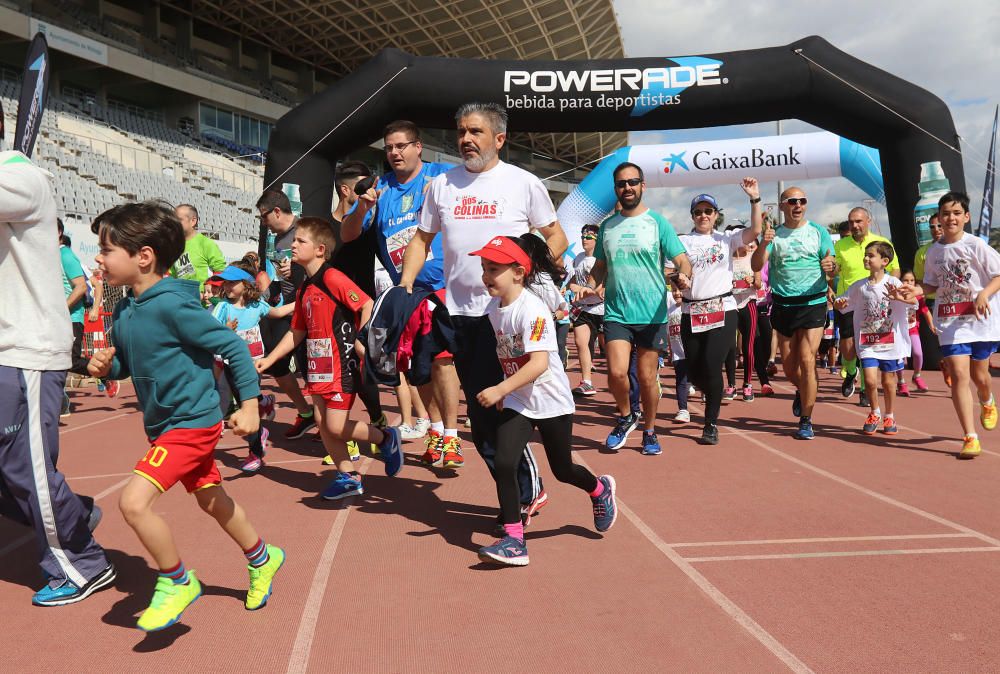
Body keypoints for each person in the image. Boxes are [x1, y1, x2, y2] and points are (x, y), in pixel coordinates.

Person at [86, 201, 284, 631]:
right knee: (212, 500)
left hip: (192, 422)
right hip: (163, 426)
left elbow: (232, 348)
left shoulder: (175, 307)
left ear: (144, 256)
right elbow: (131, 362)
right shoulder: (125, 310)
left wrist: (249, 405)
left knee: (133, 503)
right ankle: (263, 558)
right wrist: (108, 366)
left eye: (106, 249)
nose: (98, 258)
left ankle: (177, 580)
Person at [401, 102, 567, 527]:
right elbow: (421, 240)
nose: (465, 140)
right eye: (461, 132)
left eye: (475, 131)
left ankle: (527, 493)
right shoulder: (442, 186)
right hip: (457, 314)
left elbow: (556, 237)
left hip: (503, 318)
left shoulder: (524, 183)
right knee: (479, 411)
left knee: (502, 410)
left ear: (499, 138)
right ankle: (522, 493)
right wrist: (405, 286)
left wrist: (524, 282)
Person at [1, 147, 115, 607]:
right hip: (9, 347)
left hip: (23, 348)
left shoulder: (23, 177)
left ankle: (82, 562)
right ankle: (73, 513)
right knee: (12, 470)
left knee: (25, 469)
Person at [471, 234, 617, 566]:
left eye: (493, 269)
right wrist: (505, 391)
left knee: (562, 469)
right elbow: (506, 354)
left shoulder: (532, 309)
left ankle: (599, 489)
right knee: (505, 461)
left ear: (518, 273)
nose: (485, 276)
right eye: (483, 268)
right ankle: (514, 540)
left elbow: (537, 365)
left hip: (551, 400)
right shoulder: (493, 310)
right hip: (520, 401)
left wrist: (500, 389)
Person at [254, 217, 404, 498]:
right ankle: (348, 476)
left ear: (320, 249)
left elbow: (366, 304)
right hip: (317, 369)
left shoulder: (333, 277)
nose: (293, 246)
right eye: (294, 240)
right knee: (324, 426)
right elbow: (296, 332)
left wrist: (362, 340)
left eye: (300, 241)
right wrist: (270, 358)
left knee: (335, 425)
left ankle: (385, 437)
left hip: (341, 366)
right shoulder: (305, 290)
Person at [343, 121, 464, 469]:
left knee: (442, 359)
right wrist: (364, 207)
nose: (395, 153)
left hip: (444, 286)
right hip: (407, 292)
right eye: (389, 148)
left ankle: (452, 437)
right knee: (415, 368)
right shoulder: (379, 189)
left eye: (402, 146)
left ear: (418, 147)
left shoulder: (442, 177)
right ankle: (436, 431)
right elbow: (348, 234)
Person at [581, 162, 691, 454]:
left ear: (643, 185)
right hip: (617, 310)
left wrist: (683, 274)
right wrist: (589, 286)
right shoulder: (607, 226)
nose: (627, 187)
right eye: (621, 184)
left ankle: (650, 431)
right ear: (616, 189)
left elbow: (681, 258)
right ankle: (627, 415)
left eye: (632, 182)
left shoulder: (657, 223)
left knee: (646, 378)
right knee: (616, 373)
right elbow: (601, 267)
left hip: (652, 313)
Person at [916, 192, 1000, 458]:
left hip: (980, 319)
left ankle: (987, 400)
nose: (950, 218)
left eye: (955, 213)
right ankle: (970, 436)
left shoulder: (977, 245)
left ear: (966, 217)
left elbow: (998, 275)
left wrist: (984, 294)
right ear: (939, 218)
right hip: (951, 319)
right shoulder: (934, 251)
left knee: (980, 377)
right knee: (960, 376)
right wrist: (915, 291)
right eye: (945, 213)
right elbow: (931, 284)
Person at [678, 180, 762, 445]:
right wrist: (677, 279)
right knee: (695, 369)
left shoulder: (727, 239)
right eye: (698, 212)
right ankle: (712, 391)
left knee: (712, 365)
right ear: (692, 216)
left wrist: (755, 199)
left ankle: (710, 423)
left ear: (716, 216)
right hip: (692, 310)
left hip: (723, 309)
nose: (703, 216)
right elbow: (672, 270)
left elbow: (756, 230)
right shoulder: (683, 241)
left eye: (708, 211)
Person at [751, 187, 836, 440]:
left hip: (813, 302)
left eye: (802, 201)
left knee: (807, 359)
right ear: (782, 206)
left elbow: (831, 267)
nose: (797, 205)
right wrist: (765, 242)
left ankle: (806, 420)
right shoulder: (773, 235)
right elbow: (756, 265)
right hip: (784, 305)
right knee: (789, 367)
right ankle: (802, 390)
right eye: (791, 201)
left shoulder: (818, 232)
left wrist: (832, 267)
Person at [327, 160, 392, 459]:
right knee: (336, 372)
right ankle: (346, 438)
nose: (371, 193)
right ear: (346, 190)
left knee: (360, 369)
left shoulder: (370, 224)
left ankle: (377, 417)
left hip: (363, 307)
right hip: (332, 309)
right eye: (364, 187)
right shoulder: (326, 227)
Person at [210, 262, 295, 472]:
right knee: (245, 404)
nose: (227, 287)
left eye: (232, 282)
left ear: (246, 284)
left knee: (247, 406)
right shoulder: (223, 307)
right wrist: (225, 329)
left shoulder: (257, 306)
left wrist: (300, 302)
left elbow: (277, 312)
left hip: (254, 365)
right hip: (232, 366)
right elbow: (209, 330)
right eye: (225, 283)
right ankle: (263, 404)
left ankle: (255, 452)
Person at [834, 242, 916, 435]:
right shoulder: (859, 286)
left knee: (888, 381)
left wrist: (899, 298)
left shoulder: (894, 283)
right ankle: (874, 412)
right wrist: (838, 303)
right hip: (867, 341)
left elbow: (913, 301)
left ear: (884, 261)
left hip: (889, 341)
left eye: (871, 256)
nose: (866, 258)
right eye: (865, 255)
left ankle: (890, 415)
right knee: (870, 381)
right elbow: (843, 303)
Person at [256, 190, 318, 439]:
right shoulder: (277, 239)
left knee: (313, 368)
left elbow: (320, 271)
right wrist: (271, 291)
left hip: (312, 306)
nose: (263, 223)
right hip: (292, 304)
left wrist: (297, 272)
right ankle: (306, 413)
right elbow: (284, 278)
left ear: (277, 211)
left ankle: (367, 424)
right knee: (278, 360)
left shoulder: (304, 231)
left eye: (264, 217)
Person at [833, 207, 899, 407]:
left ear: (868, 220)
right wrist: (831, 281)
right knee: (848, 348)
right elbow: (834, 271)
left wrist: (890, 290)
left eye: (859, 221)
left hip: (874, 304)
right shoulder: (841, 245)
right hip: (849, 301)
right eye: (851, 222)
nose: (855, 225)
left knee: (867, 345)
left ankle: (864, 390)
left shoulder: (882, 242)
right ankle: (851, 371)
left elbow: (895, 268)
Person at [725, 224, 762, 402]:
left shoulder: (752, 257)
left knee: (748, 346)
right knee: (729, 347)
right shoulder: (725, 258)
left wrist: (752, 281)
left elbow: (759, 283)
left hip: (748, 302)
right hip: (730, 304)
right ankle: (731, 385)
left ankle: (747, 384)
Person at [566, 224, 605, 396]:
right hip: (583, 309)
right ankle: (587, 382)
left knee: (612, 350)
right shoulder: (579, 258)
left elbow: (605, 282)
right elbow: (572, 281)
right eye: (582, 237)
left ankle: (623, 382)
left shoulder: (602, 259)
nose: (584, 240)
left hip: (602, 309)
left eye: (588, 237)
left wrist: (592, 290)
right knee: (581, 343)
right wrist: (574, 287)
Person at [169, 204, 226, 295]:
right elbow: (171, 274)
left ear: (193, 221)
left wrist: (208, 289)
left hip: (202, 304)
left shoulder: (206, 244)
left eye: (179, 220)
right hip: (180, 299)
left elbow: (220, 270)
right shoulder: (173, 245)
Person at [898, 270, 934, 394]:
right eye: (906, 280)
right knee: (900, 358)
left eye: (912, 280)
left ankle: (917, 376)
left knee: (918, 353)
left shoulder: (918, 296)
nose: (909, 283)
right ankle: (901, 382)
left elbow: (925, 311)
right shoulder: (895, 295)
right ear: (900, 281)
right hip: (899, 332)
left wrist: (931, 325)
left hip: (913, 329)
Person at [666, 285, 690, 423]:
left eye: (680, 290)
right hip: (678, 354)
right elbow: (669, 332)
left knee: (699, 377)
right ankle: (683, 410)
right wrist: (670, 350)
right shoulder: (670, 310)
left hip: (692, 353)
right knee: (680, 381)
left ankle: (704, 392)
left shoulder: (689, 308)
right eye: (674, 290)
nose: (677, 293)